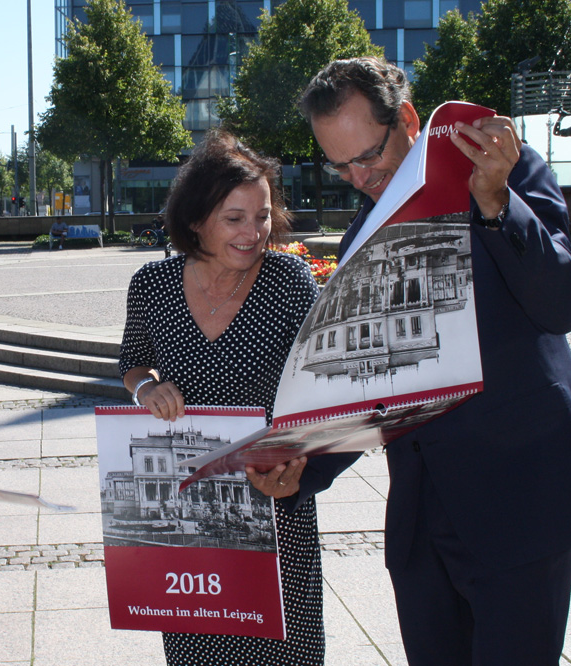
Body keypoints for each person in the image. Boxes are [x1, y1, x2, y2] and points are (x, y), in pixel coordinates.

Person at [298, 56, 571, 666]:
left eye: (369, 155)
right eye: (340, 164)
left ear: (408, 120)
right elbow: (369, 380)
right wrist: (300, 468)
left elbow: (562, 305)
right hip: (423, 515)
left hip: (522, 494)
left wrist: (496, 205)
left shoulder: (505, 170)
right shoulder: (361, 235)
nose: (359, 178)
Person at [120, 128, 352, 666]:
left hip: (274, 498)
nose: (254, 233)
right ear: (196, 219)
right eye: (235, 218)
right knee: (199, 648)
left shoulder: (289, 281)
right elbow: (131, 362)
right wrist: (147, 388)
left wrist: (302, 463)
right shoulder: (152, 285)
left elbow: (325, 383)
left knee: (285, 650)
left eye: (263, 216)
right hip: (189, 514)